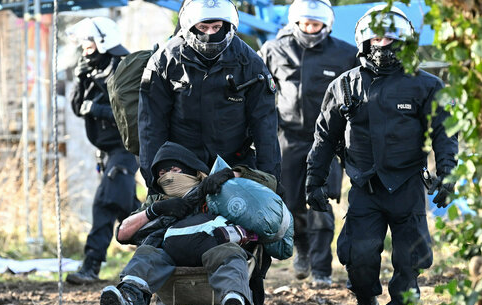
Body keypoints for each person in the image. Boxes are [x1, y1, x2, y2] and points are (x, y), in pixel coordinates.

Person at [305, 5, 458, 305]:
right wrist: (314, 181)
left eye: (390, 37)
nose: (382, 42)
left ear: (404, 40)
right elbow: (324, 136)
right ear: (362, 39)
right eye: (376, 36)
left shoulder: (425, 85)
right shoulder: (344, 85)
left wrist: (447, 174)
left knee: (408, 261)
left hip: (407, 186)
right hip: (364, 186)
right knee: (358, 257)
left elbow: (446, 133)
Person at [100, 141, 286, 305]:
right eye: (162, 174)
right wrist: (155, 210)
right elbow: (122, 233)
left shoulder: (217, 187)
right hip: (171, 258)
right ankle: (128, 302)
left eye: (174, 169)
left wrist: (231, 175)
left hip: (215, 248)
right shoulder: (158, 200)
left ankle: (234, 302)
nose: (168, 176)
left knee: (229, 254)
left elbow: (270, 183)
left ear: (193, 170)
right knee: (147, 253)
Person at [258, 0, 358, 287]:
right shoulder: (273, 50)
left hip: (327, 141)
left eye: (316, 25)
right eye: (305, 24)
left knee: (321, 202)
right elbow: (255, 87)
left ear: (326, 25)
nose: (310, 30)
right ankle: (301, 246)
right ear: (295, 22)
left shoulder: (344, 54)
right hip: (287, 138)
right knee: (290, 203)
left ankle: (322, 269)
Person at [138, 0, 281, 190]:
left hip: (233, 168)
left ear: (228, 25)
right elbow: (151, 127)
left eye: (216, 27)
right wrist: (154, 180)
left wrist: (269, 179)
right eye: (203, 27)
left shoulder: (251, 63)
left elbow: (265, 126)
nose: (210, 34)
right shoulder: (164, 62)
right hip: (180, 168)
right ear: (190, 25)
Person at [65, 17, 140, 285]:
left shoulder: (124, 67)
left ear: (104, 41)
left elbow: (135, 113)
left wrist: (97, 110)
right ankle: (160, 246)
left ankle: (91, 266)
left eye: (89, 42)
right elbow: (77, 107)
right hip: (106, 153)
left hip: (126, 148)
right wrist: (80, 77)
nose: (85, 48)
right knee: (127, 207)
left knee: (104, 202)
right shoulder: (91, 69)